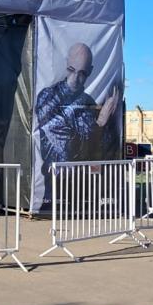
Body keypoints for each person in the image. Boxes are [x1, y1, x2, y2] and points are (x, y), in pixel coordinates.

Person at [36, 42, 121, 204]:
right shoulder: (48, 97)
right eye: (71, 70)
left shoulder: (88, 102)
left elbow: (101, 149)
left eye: (82, 73)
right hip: (57, 190)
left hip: (85, 188)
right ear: (66, 64)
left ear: (90, 72)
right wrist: (101, 122)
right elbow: (68, 147)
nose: (75, 78)